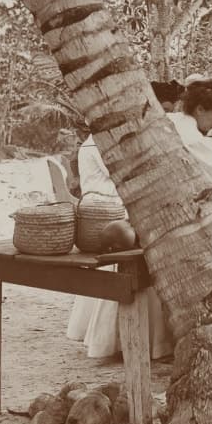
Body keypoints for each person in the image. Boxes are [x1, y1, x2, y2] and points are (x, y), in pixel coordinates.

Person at [66, 132, 172, 359]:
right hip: (104, 210)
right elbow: (124, 174)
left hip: (114, 205)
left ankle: (147, 337)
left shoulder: (106, 141)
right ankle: (124, 340)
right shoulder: (96, 144)